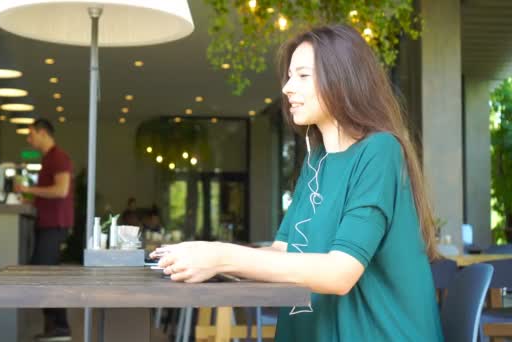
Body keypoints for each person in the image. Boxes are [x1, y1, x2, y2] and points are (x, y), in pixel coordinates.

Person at [152, 25, 443, 341]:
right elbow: (283, 251)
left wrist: (221, 256)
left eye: (303, 76)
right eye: (290, 77)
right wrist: (204, 256)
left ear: (343, 80)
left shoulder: (380, 151)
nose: (288, 88)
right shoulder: (317, 161)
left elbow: (339, 273)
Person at [15, 118, 74, 341]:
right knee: (44, 273)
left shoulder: (58, 157)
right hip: (49, 224)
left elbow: (61, 190)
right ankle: (55, 327)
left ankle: (60, 327)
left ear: (42, 133)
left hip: (55, 225)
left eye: (31, 134)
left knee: (45, 274)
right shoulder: (49, 158)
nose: (29, 140)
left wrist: (29, 189)